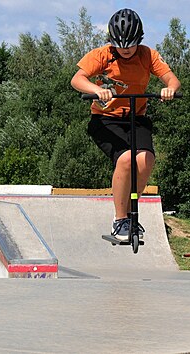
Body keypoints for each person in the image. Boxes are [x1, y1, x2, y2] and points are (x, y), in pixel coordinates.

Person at [70, 8, 180, 241]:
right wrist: (97, 90)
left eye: (130, 44)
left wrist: (169, 89)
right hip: (105, 119)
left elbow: (171, 78)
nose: (125, 49)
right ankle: (119, 220)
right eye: (120, 45)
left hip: (135, 117)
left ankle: (131, 212)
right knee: (125, 159)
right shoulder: (102, 55)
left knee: (145, 160)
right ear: (112, 41)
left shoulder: (147, 55)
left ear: (139, 39)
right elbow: (77, 79)